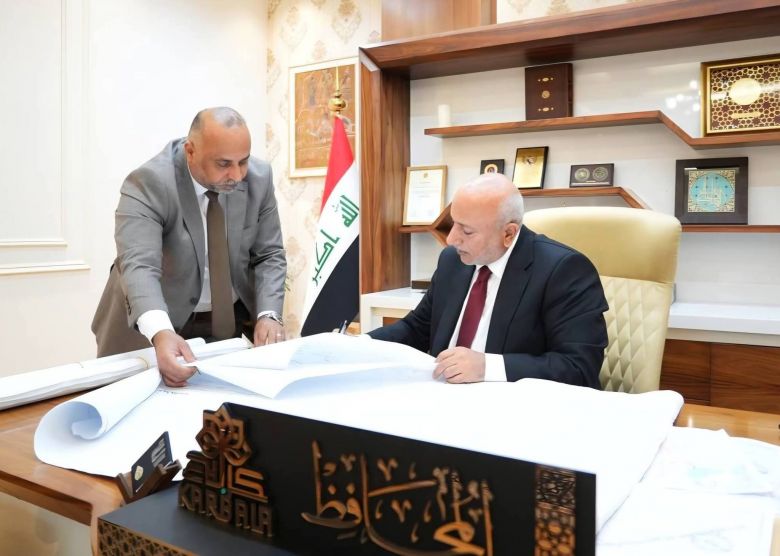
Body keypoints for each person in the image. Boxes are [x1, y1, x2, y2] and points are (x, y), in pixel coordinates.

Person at [92, 107, 287, 387]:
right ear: (191, 151)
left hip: (224, 324)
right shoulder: (149, 182)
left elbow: (269, 254)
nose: (237, 175)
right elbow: (139, 265)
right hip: (154, 323)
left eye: (243, 161)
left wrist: (269, 314)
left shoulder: (259, 177)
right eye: (223, 164)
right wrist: (160, 331)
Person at [368, 173, 608, 388]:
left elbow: (579, 367)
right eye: (453, 224)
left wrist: (487, 367)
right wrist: (359, 345)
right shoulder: (453, 260)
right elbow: (417, 328)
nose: (451, 239)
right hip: (443, 397)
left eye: (467, 231)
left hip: (518, 408)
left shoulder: (563, 270)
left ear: (508, 233)